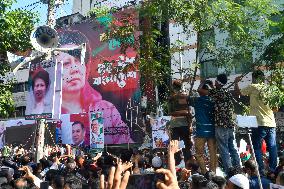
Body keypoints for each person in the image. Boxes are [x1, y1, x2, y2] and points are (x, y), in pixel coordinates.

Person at [56, 29, 132, 144]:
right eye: (66, 63)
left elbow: (126, 142)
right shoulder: (49, 114)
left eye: (78, 62)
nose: (75, 69)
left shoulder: (106, 109)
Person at [235, 70, 277, 176]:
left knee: (257, 147)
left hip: (259, 123)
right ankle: (272, 169)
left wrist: (236, 82)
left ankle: (261, 170)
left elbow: (238, 93)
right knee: (272, 147)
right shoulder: (270, 89)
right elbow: (275, 108)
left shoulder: (253, 86)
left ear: (254, 78)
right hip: (271, 122)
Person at [198, 74, 241, 174]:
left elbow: (200, 91)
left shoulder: (215, 92)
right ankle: (238, 168)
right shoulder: (226, 93)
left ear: (217, 82)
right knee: (233, 148)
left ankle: (229, 171)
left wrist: (203, 82)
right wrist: (213, 86)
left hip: (221, 126)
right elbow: (216, 92)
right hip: (230, 125)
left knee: (224, 149)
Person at [188, 80, 217, 174]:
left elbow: (197, 91)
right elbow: (201, 90)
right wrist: (211, 87)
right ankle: (213, 172)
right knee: (213, 153)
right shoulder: (213, 101)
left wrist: (203, 82)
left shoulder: (197, 100)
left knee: (198, 154)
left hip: (201, 132)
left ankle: (205, 173)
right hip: (212, 131)